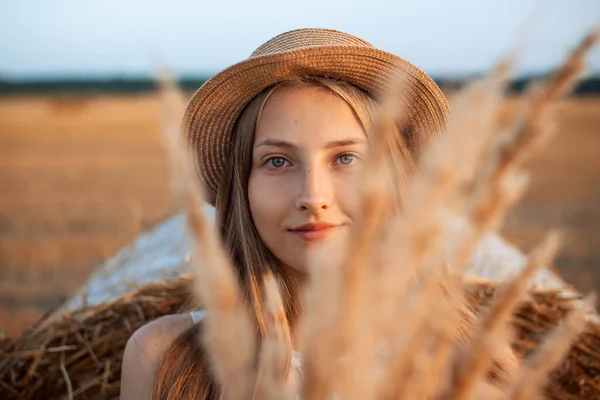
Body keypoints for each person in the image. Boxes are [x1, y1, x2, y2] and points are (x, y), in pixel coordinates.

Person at [120, 28, 516, 399]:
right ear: (243, 188)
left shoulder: (474, 367)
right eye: (277, 161)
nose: (313, 196)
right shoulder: (163, 359)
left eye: (346, 157)